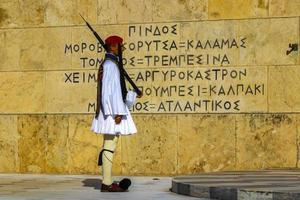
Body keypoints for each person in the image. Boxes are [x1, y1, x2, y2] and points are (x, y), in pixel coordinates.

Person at [91, 35, 142, 192]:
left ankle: (107, 181)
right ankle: (106, 183)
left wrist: (133, 95)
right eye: (121, 46)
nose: (122, 49)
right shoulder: (111, 66)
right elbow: (109, 93)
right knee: (109, 144)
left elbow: (119, 91)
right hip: (112, 112)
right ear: (113, 47)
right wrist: (118, 113)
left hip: (111, 111)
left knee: (109, 144)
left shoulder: (112, 64)